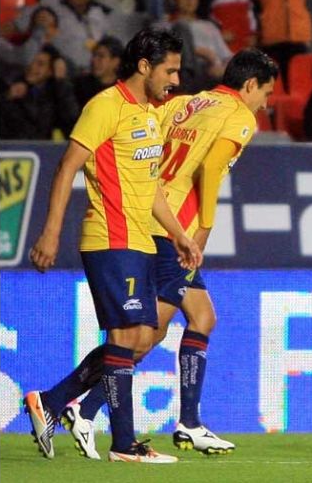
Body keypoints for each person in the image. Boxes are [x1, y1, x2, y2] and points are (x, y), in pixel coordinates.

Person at [57, 48, 278, 459]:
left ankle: (186, 422)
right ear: (250, 86)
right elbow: (211, 170)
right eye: (265, 93)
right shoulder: (240, 116)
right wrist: (203, 230)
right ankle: (67, 403)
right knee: (142, 335)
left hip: (156, 221)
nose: (265, 103)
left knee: (202, 316)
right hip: (174, 228)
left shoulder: (184, 102)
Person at [23, 27, 202, 464]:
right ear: (144, 66)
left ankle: (51, 401)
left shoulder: (150, 114)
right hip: (109, 236)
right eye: (170, 70)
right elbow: (66, 168)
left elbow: (151, 187)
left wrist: (179, 234)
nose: (176, 81)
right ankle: (125, 444)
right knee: (125, 335)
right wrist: (50, 232)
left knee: (141, 336)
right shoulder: (105, 106)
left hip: (142, 240)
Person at [72, 35, 124, 107]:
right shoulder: (80, 85)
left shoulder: (124, 91)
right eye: (94, 55)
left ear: (115, 61)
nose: (94, 60)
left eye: (101, 56)